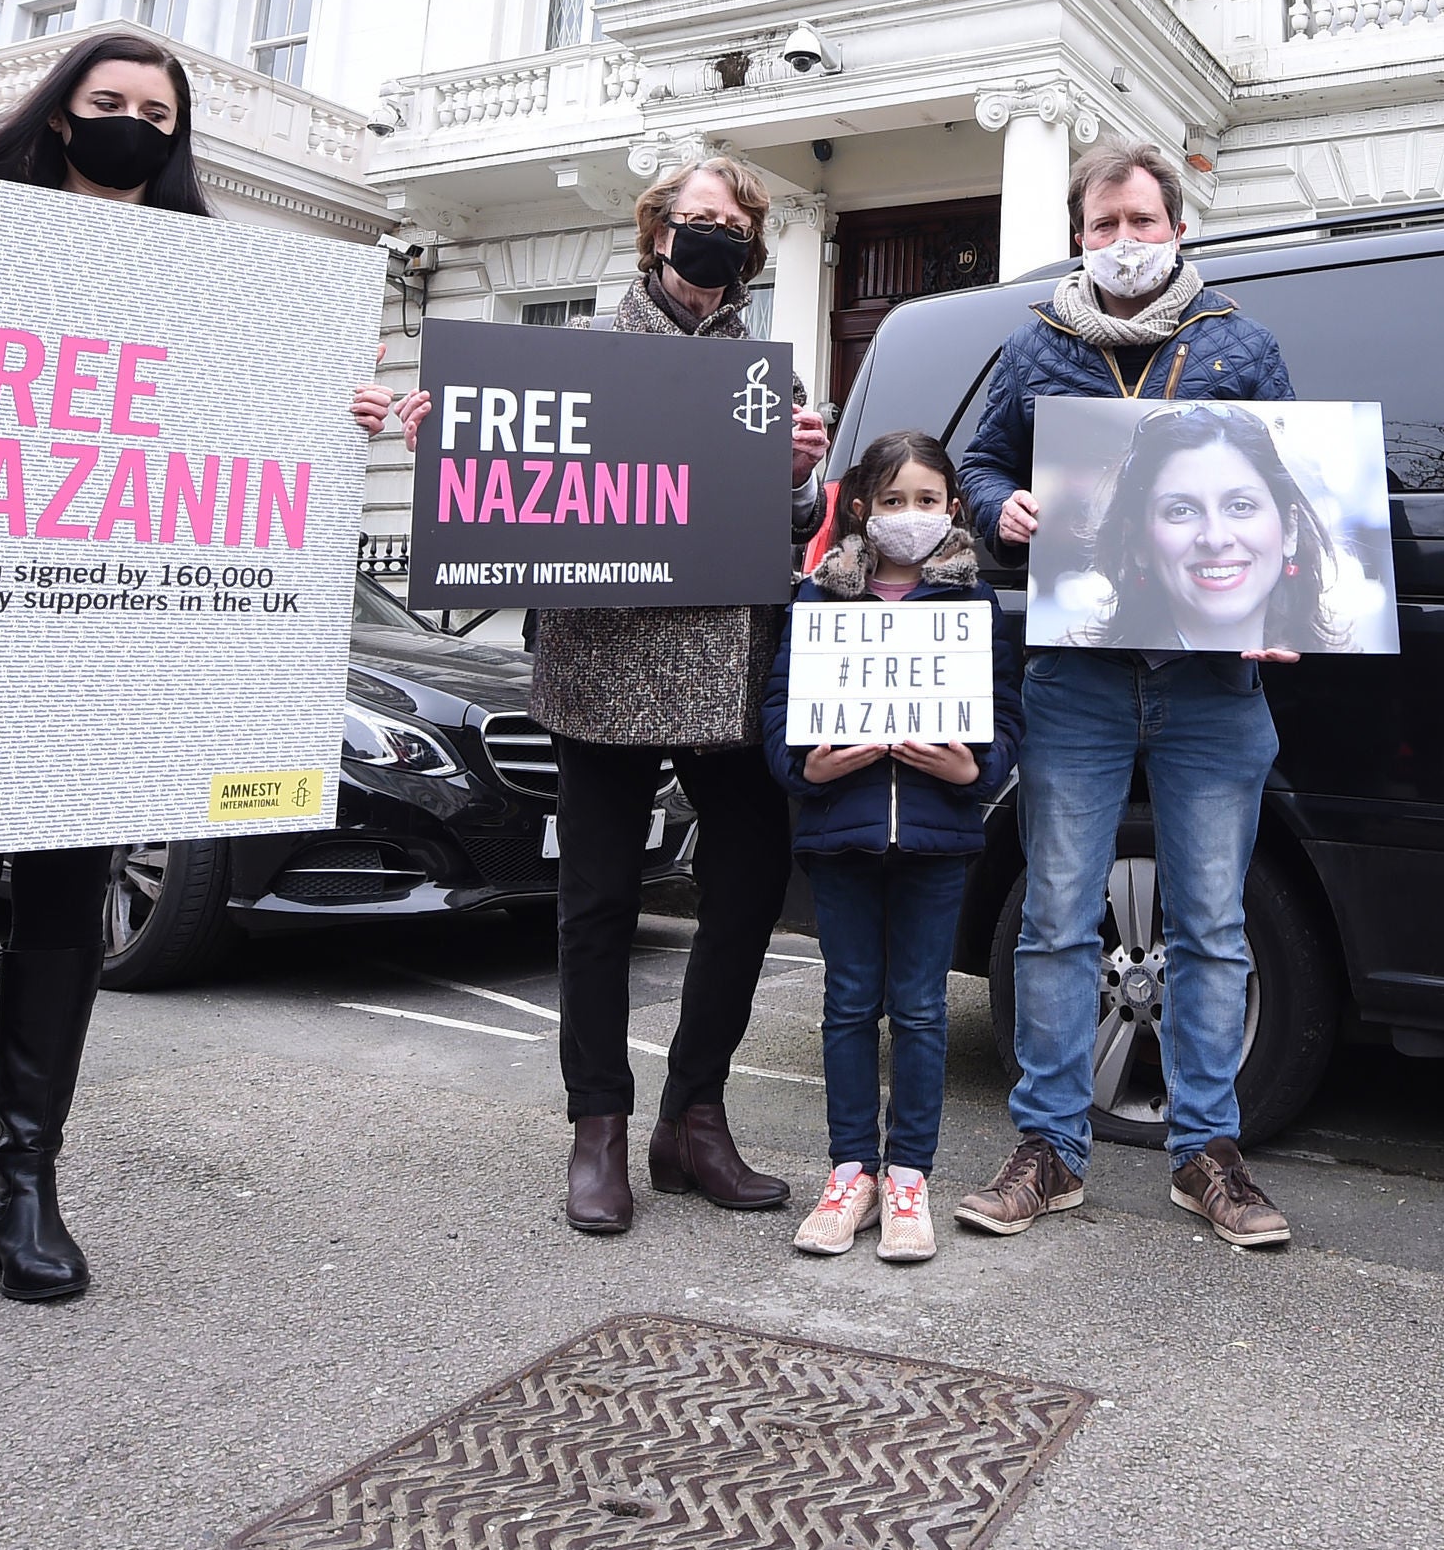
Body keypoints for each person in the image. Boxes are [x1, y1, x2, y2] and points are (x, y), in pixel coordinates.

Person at [0, 30, 424, 1332]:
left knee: (64, 911)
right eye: (108, 104)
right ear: (59, 118)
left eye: (156, 112)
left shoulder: (210, 277)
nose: (131, 125)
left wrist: (352, 420)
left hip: (102, 653)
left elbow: (244, 449)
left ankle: (24, 1187)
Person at [951, 143, 1301, 1249]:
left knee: (1214, 923)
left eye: (1141, 221)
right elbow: (976, 463)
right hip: (1080, 674)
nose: (1122, 243)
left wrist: (1285, 608)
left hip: (1211, 681)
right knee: (1056, 918)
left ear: (1178, 227)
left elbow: (1289, 485)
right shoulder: (1034, 344)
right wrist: (999, 505)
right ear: (1078, 234)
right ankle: (1048, 1147)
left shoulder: (1239, 342)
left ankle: (1206, 1150)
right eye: (1102, 225)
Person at [534, 155, 830, 1235]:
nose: (710, 235)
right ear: (658, 231)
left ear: (748, 240)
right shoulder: (584, 353)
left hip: (726, 663)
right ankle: (597, 1124)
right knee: (601, 900)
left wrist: (800, 475)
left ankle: (692, 1114)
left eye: (730, 221)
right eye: (693, 218)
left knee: (748, 886)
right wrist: (450, 438)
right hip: (606, 661)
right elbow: (525, 491)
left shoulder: (767, 368)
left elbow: (792, 526)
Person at [762, 431, 1020, 1263]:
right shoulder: (817, 602)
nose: (911, 517)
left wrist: (974, 767)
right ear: (863, 507)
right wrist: (809, 764)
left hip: (939, 842)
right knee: (846, 1007)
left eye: (928, 500)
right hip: (840, 837)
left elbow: (1008, 716)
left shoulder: (973, 607)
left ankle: (909, 1174)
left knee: (919, 1011)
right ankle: (850, 1172)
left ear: (952, 508)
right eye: (894, 500)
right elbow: (778, 707)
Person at [1070, 402, 1355, 656]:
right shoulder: (1079, 676)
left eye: (1240, 506)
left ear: (1289, 529)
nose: (1216, 539)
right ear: (1138, 544)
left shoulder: (1347, 682)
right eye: (1181, 511)